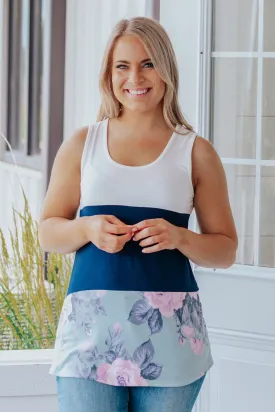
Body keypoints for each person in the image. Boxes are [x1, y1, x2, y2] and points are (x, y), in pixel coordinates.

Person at [38, 16, 238, 412]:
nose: (136, 77)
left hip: (172, 342)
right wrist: (88, 227)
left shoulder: (195, 152)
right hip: (88, 337)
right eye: (122, 66)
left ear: (166, 70)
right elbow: (48, 233)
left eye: (148, 63)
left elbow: (225, 250)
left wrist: (180, 237)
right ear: (109, 74)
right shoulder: (83, 144)